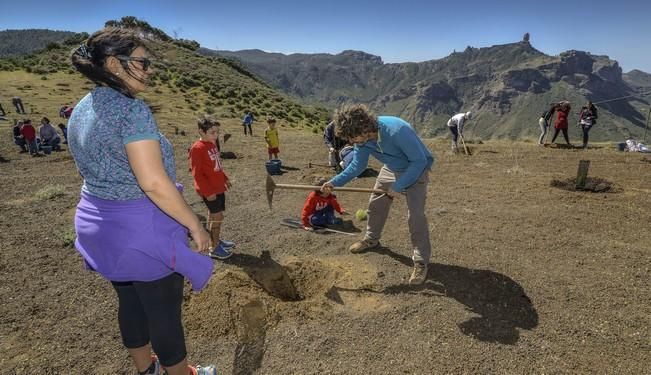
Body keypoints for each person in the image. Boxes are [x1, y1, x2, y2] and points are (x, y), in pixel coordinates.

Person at [68, 27, 217, 375]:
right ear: (112, 64)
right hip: (139, 230)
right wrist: (195, 225)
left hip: (98, 222)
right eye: (142, 62)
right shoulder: (132, 112)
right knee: (164, 313)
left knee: (130, 302)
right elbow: (152, 183)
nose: (149, 70)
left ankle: (145, 369)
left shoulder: (83, 106)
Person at [321, 104, 435, 285]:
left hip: (416, 169)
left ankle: (421, 261)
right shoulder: (362, 141)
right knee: (376, 204)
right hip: (391, 168)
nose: (351, 142)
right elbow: (357, 166)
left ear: (364, 129)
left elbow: (419, 161)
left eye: (352, 138)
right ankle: (371, 239)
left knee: (416, 216)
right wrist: (334, 183)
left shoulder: (397, 130)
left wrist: (399, 186)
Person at [189, 115, 235, 260]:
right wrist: (208, 192)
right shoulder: (197, 148)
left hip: (218, 187)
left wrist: (225, 179)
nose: (216, 136)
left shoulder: (212, 144)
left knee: (214, 215)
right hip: (210, 190)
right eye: (212, 133)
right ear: (201, 132)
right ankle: (214, 249)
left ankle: (215, 241)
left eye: (217, 132)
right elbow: (197, 174)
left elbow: (217, 166)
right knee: (218, 217)